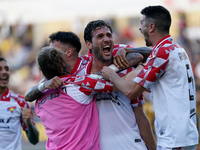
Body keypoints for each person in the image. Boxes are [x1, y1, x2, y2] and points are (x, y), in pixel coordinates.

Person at [25, 30, 155, 149]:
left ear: (68, 52)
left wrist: (124, 51)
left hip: (128, 142)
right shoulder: (74, 83)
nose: (51, 54)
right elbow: (123, 82)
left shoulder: (42, 93)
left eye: (54, 51)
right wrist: (140, 70)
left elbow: (28, 95)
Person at [101, 5, 199, 150]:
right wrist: (128, 49)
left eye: (141, 23)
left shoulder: (162, 53)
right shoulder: (176, 48)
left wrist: (111, 74)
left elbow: (131, 91)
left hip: (173, 140)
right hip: (186, 135)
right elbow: (151, 52)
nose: (140, 28)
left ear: (151, 27)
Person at [77, 19, 156, 150]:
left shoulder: (125, 64)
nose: (107, 39)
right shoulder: (81, 71)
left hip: (132, 145)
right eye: (100, 36)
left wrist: (126, 50)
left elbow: (140, 116)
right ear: (89, 44)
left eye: (109, 35)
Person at [34, 46, 114, 150]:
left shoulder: (38, 99)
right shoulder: (79, 84)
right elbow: (114, 83)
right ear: (62, 64)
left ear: (41, 70)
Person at [0, 57, 39, 150]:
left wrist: (29, 123)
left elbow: (34, 140)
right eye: (0, 69)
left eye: (6, 69)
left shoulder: (20, 102)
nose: (4, 72)